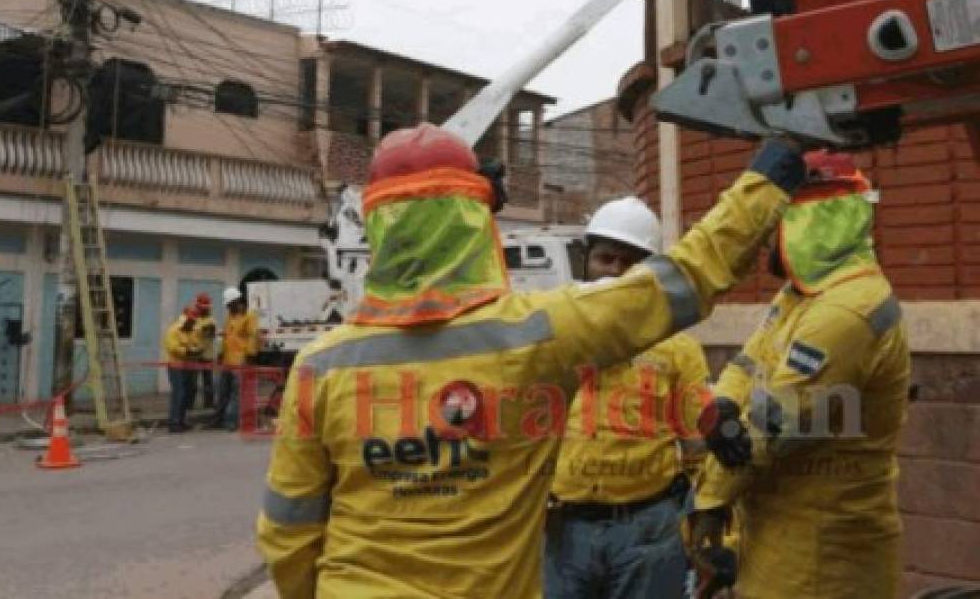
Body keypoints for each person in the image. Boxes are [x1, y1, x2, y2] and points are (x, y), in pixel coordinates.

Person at [256, 123, 804, 599]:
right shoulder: (539, 336)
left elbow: (288, 531)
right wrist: (768, 176)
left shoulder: (318, 368)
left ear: (376, 228)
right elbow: (685, 279)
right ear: (475, 225)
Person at [687, 150, 910, 598]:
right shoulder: (802, 296)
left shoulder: (845, 312)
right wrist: (725, 402)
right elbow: (746, 363)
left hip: (823, 557)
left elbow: (771, 426)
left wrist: (706, 502)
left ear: (810, 223)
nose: (767, 241)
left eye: (777, 225)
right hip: (783, 537)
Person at [544, 197, 711, 599]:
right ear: (586, 260)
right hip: (564, 531)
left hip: (649, 530)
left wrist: (708, 532)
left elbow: (700, 448)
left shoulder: (677, 348)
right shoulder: (551, 336)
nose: (617, 272)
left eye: (631, 262)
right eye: (606, 258)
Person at [211, 287, 259, 431]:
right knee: (222, 391)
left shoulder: (249, 316)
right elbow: (226, 336)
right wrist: (220, 353)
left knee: (236, 394)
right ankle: (218, 419)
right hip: (227, 360)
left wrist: (249, 355)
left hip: (240, 360)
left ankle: (231, 421)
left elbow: (253, 336)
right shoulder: (230, 317)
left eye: (229, 304)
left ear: (237, 301)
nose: (228, 307)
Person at [162, 306, 199, 433]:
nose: (192, 323)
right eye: (190, 321)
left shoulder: (192, 330)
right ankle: (174, 422)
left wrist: (195, 350)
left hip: (188, 366)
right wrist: (187, 351)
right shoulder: (173, 330)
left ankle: (181, 420)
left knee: (187, 393)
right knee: (179, 393)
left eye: (194, 321)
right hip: (176, 366)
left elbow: (195, 344)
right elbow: (173, 348)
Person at [190, 293, 218, 410]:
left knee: (207, 381)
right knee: (192, 382)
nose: (200, 309)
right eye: (199, 307)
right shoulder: (195, 319)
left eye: (202, 308)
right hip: (194, 355)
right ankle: (189, 403)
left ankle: (209, 403)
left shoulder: (211, 321)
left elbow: (208, 337)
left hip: (206, 355)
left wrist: (198, 349)